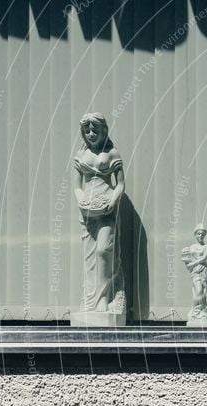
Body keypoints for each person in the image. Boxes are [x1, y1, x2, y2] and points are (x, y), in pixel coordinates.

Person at [73, 112, 125, 314]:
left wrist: (112, 201)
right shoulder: (80, 156)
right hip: (87, 212)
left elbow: (120, 185)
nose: (91, 133)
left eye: (95, 129)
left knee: (104, 251)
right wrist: (81, 200)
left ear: (104, 130)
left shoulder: (112, 154)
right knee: (90, 257)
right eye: (87, 131)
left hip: (106, 210)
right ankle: (93, 301)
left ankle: (105, 296)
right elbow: (77, 187)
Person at [182, 223, 207, 323]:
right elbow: (186, 259)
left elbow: (204, 259)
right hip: (195, 271)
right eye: (199, 234)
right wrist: (189, 266)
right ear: (195, 234)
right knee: (198, 291)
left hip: (204, 270)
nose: (200, 236)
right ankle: (194, 311)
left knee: (203, 293)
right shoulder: (191, 248)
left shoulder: (206, 247)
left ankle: (202, 312)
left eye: (202, 234)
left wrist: (193, 264)